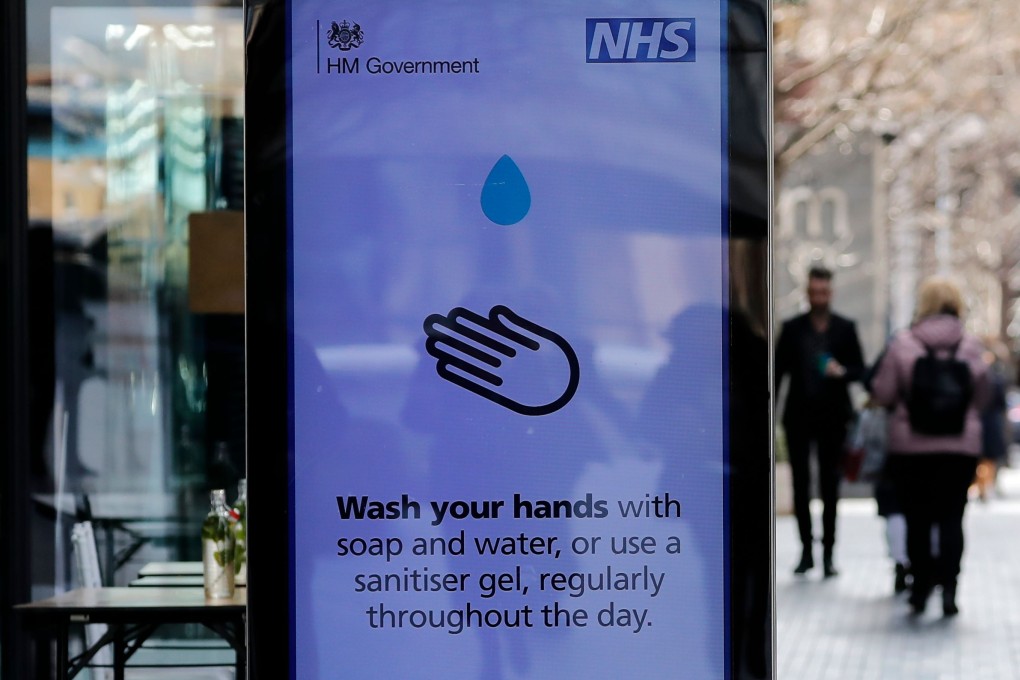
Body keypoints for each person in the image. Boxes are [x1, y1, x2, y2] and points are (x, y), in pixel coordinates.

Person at [870, 277, 989, 616]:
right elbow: (982, 396)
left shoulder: (903, 343)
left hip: (911, 448)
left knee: (917, 519)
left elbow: (884, 392)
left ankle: (920, 588)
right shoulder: (970, 346)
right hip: (958, 448)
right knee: (953, 517)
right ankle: (950, 589)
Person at [775, 266, 865, 577]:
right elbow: (777, 376)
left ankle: (828, 553)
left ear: (831, 292)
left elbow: (860, 370)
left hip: (833, 417)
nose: (818, 297)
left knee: (830, 487)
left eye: (823, 292)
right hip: (798, 417)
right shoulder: (792, 329)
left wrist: (842, 372)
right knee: (801, 486)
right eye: (814, 292)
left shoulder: (845, 328)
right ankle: (805, 551)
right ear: (807, 293)